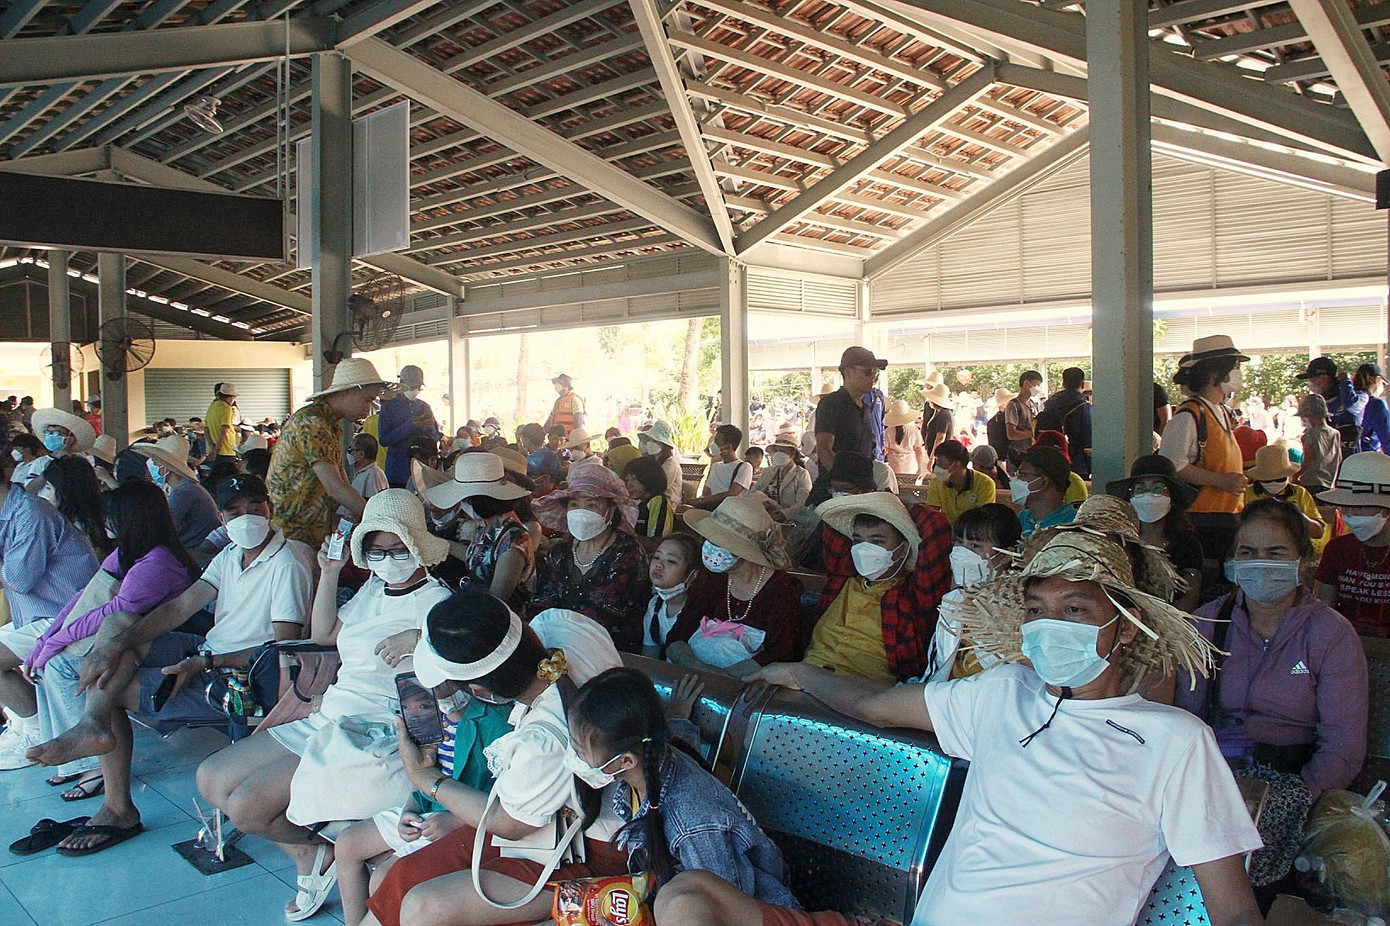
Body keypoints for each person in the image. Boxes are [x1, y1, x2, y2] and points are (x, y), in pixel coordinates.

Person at [746, 531, 1263, 926]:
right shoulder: (1002, 692)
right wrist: (798, 673)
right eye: (1037, 611)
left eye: (1075, 609)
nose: (1049, 624)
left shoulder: (1174, 740)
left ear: (1125, 627)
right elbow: (878, 706)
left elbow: (1233, 908)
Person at [195, 489, 452, 918]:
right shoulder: (373, 588)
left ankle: (325, 850)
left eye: (397, 549)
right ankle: (312, 856)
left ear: (417, 546)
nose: (388, 559)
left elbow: (457, 666)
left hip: (372, 727)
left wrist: (422, 641)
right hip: (331, 711)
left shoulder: (437, 604)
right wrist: (329, 573)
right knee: (210, 778)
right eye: (378, 551)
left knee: (246, 807)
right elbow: (323, 636)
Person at [362, 598, 626, 926]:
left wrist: (423, 777)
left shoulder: (542, 741)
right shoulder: (562, 625)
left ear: (481, 691)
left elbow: (509, 825)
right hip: (552, 820)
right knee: (399, 878)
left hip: (594, 848)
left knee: (422, 905)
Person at [1179, 498, 1367, 893]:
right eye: (1248, 552)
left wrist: (1293, 800)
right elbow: (1185, 721)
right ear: (1233, 562)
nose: (1260, 562)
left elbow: (1343, 745)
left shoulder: (1330, 633)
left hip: (1297, 779)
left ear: (1301, 562)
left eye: (1275, 552)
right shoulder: (1208, 624)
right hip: (1216, 777)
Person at [11, 481, 201, 823]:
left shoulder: (158, 562)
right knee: (72, 661)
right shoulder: (130, 551)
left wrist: (52, 645)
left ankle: (90, 757)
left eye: (111, 516)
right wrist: (46, 641)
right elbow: (84, 598)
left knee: (70, 665)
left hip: (176, 640)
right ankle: (87, 742)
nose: (105, 523)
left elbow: (110, 613)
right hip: (137, 639)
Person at [565, 667, 799, 906]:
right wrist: (678, 714)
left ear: (626, 760)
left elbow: (724, 907)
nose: (573, 755)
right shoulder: (657, 751)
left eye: (579, 749)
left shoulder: (692, 826)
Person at [666, 498, 803, 675]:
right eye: (710, 539)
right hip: (695, 675)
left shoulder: (783, 589)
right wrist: (699, 669)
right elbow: (678, 634)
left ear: (745, 551)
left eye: (720, 542)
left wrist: (726, 679)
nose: (710, 548)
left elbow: (781, 654)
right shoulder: (711, 579)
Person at [800, 494, 923, 684]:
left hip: (863, 688)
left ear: (901, 550)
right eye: (858, 541)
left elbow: (935, 530)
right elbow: (830, 531)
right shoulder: (843, 583)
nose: (864, 549)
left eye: (877, 542)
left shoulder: (908, 597)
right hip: (809, 673)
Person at [267, 358, 389, 549]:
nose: (368, 408)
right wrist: (383, 523)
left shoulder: (327, 423)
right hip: (294, 534)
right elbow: (335, 487)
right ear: (347, 391)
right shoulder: (313, 422)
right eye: (367, 400)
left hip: (311, 529)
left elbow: (341, 484)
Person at [531, 464, 650, 652]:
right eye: (574, 505)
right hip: (555, 644)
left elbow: (610, 612)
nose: (581, 512)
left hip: (609, 649)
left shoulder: (627, 552)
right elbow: (543, 600)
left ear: (611, 511)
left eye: (592, 505)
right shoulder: (560, 552)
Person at [1160, 335, 1250, 560]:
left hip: (1225, 516)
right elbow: (1170, 466)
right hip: (1201, 520)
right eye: (1235, 366)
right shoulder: (1189, 416)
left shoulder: (1219, 411)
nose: (1238, 372)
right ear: (1215, 373)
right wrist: (1221, 481)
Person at [921, 502, 1022, 684]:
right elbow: (937, 664)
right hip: (947, 691)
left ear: (1007, 555)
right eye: (959, 543)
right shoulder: (953, 600)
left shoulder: (1018, 607)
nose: (961, 552)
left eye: (975, 545)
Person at [425, 453, 535, 610]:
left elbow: (498, 599)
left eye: (464, 500)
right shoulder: (487, 526)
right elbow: (478, 557)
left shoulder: (514, 540)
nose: (462, 505)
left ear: (478, 501)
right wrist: (441, 544)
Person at [1106, 455, 1204, 614]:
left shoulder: (1188, 546)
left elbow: (1188, 605)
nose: (1148, 495)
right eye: (1140, 489)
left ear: (1172, 497)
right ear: (1130, 497)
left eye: (1158, 489)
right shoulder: (1119, 541)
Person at [1315, 452, 1390, 637]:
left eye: (1359, 506)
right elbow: (1324, 609)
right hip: (1344, 645)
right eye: (1345, 506)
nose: (1349, 513)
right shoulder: (1336, 549)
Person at [133, 434, 221, 551]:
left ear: (166, 467)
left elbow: (162, 527)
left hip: (196, 552)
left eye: (155, 462)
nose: (151, 466)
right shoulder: (185, 488)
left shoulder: (184, 492)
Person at [1242, 445, 1327, 550]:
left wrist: (1298, 515)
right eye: (1267, 480)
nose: (1274, 483)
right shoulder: (1246, 493)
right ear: (1259, 478)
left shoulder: (1300, 493)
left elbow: (1318, 533)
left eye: (1280, 479)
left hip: (1293, 550)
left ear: (1288, 476)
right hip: (1256, 548)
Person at [814, 346, 884, 474]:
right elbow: (824, 449)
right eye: (869, 372)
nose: (874, 377)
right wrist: (843, 480)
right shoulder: (831, 404)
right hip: (835, 488)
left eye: (876, 372)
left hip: (862, 486)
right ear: (848, 372)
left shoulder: (866, 408)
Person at [379, 365, 441, 488]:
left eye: (419, 387)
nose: (415, 390)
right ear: (401, 384)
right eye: (413, 387)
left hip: (423, 471)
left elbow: (435, 438)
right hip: (398, 472)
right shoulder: (388, 408)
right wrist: (410, 426)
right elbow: (384, 440)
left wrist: (429, 427)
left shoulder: (424, 406)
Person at [643, 534, 702, 659]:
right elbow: (649, 657)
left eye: (671, 561)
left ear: (693, 575)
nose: (659, 564)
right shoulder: (654, 607)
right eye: (657, 557)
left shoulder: (700, 615)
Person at [43, 455, 111, 558]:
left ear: (64, 491)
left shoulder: (76, 528)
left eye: (49, 489)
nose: (47, 496)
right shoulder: (98, 516)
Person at [1297, 355, 1366, 453]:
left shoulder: (1358, 396)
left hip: (1350, 462)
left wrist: (1345, 382)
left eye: (1313, 378)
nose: (1311, 382)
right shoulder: (1317, 403)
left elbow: (1351, 405)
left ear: (1325, 377)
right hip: (1327, 463)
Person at [27, 406, 97, 495]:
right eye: (48, 433)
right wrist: (46, 473)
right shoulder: (40, 462)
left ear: (69, 440)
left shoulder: (80, 462)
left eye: (56, 433)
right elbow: (30, 490)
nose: (51, 436)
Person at [1012, 446, 1077, 539]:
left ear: (1043, 482)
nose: (1016, 480)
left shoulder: (1073, 523)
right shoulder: (1022, 518)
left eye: (1022, 474)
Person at [751, 428, 813, 525]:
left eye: (782, 451)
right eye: (776, 451)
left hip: (787, 522)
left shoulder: (802, 474)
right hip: (760, 517)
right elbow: (755, 491)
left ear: (793, 454)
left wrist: (782, 514)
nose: (778, 453)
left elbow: (802, 503)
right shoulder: (767, 471)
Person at [927, 439, 996, 525]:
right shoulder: (937, 482)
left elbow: (983, 519)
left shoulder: (985, 483)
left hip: (973, 533)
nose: (936, 467)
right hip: (946, 532)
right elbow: (933, 514)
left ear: (956, 465)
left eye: (940, 462)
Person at [1041, 367, 1092, 479]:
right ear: (1082, 385)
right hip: (1078, 462)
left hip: (1053, 459)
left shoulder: (1049, 404)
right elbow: (1088, 438)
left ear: (1063, 383)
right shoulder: (1084, 406)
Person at [696, 424, 753, 509]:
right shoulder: (716, 466)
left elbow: (732, 493)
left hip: (729, 511)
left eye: (717, 442)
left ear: (729, 447)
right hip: (711, 509)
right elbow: (706, 492)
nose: (713, 445)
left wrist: (701, 501)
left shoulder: (745, 467)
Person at [1296, 392, 1341, 496]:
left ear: (1308, 416)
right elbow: (1338, 458)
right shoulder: (1335, 433)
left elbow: (1309, 460)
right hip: (1329, 483)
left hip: (1310, 482)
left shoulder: (1310, 435)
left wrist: (1295, 475)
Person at [624, 454, 675, 546]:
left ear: (649, 478)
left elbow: (657, 543)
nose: (629, 485)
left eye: (634, 479)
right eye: (627, 480)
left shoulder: (657, 502)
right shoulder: (640, 504)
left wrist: (625, 533)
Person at [637, 420, 684, 511]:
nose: (649, 443)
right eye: (649, 440)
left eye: (654, 441)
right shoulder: (654, 462)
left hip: (667, 506)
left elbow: (659, 487)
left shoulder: (671, 464)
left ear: (663, 445)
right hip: (654, 503)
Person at [1004, 370, 1044, 464]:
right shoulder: (1013, 405)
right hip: (1018, 454)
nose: (1038, 389)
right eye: (1036, 385)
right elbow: (1011, 434)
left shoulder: (1033, 404)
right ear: (1026, 383)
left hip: (1031, 452)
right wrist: (1033, 433)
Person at [883, 400, 927, 478]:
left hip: (894, 465)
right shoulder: (914, 429)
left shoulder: (888, 431)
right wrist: (920, 468)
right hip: (910, 465)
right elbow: (918, 450)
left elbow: (885, 449)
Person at [1355, 362, 1390, 453]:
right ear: (1377, 379)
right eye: (1383, 383)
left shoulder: (1350, 403)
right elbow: (1387, 439)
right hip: (1368, 459)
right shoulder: (1376, 405)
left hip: (1345, 460)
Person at [205, 382, 241, 464]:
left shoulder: (212, 406)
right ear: (231, 397)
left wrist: (212, 447)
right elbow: (224, 431)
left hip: (212, 449)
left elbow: (206, 430)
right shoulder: (226, 408)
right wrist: (216, 450)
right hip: (226, 450)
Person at [350, 432, 390, 502]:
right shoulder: (363, 473)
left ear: (361, 454)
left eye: (351, 450)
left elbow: (374, 504)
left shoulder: (373, 475)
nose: (349, 454)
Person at [920, 381, 954, 463]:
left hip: (941, 456)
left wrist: (933, 458)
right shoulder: (940, 412)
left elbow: (940, 438)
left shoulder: (943, 414)